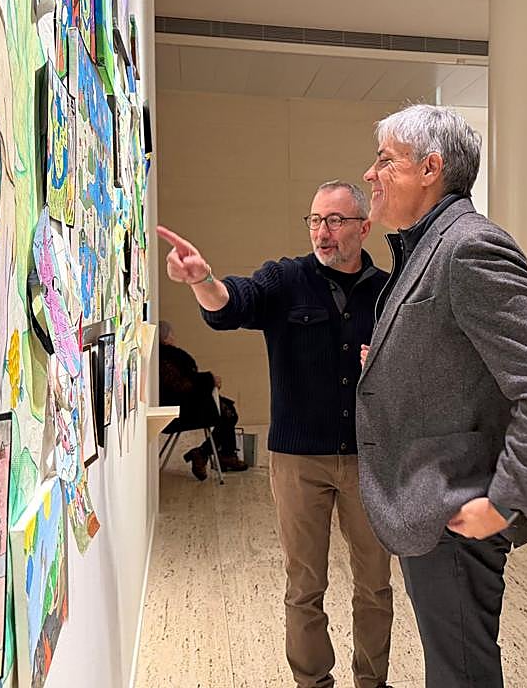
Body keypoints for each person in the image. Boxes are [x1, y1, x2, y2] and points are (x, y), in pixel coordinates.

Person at [356, 104, 527, 687]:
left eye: (385, 161)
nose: (370, 175)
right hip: (429, 497)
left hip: (458, 505)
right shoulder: (423, 246)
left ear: (430, 168)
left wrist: (506, 500)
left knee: (461, 673)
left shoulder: (469, 247)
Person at [157, 181, 394, 688]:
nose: (322, 232)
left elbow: (417, 364)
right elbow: (233, 303)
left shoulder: (387, 291)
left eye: (334, 221)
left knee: (374, 585)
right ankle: (313, 682)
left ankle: (373, 682)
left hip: (370, 459)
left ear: (363, 227)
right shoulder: (285, 279)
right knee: (305, 584)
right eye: (314, 220)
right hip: (298, 460)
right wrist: (204, 281)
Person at [157, 320, 247, 480]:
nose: (173, 337)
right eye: (170, 334)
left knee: (227, 409)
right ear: (164, 338)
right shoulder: (165, 358)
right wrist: (210, 380)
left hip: (186, 404)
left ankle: (218, 454)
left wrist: (208, 380)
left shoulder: (165, 356)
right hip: (180, 410)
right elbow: (182, 386)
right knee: (227, 413)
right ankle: (212, 454)